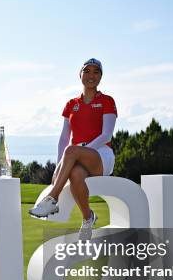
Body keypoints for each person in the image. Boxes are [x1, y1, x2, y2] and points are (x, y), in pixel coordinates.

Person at [29, 58, 117, 240]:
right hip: (77, 157)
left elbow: (106, 135)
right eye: (87, 71)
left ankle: (52, 199)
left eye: (96, 72)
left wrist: (81, 150)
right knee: (75, 175)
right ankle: (88, 218)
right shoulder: (71, 104)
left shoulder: (107, 101)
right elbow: (63, 138)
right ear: (80, 75)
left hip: (101, 154)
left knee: (72, 150)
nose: (91, 75)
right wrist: (59, 167)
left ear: (101, 76)